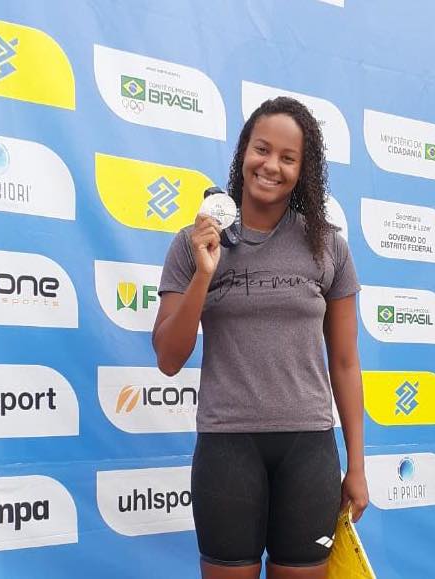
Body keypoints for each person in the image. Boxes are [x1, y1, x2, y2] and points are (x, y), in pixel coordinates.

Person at [152, 97, 368, 579]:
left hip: (308, 450)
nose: (271, 166)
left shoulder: (328, 246)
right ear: (243, 153)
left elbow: (345, 363)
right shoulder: (192, 244)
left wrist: (356, 465)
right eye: (262, 149)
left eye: (288, 158)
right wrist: (204, 274)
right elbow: (168, 357)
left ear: (303, 170)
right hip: (227, 448)